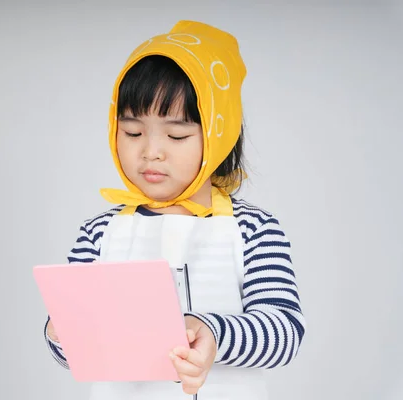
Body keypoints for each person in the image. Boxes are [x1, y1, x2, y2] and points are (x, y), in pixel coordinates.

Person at [42, 20, 306, 400]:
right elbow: (72, 354)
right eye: (133, 132)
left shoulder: (253, 229)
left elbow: (284, 332)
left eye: (176, 135)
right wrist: (60, 332)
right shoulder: (99, 233)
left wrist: (213, 332)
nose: (151, 151)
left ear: (218, 135)